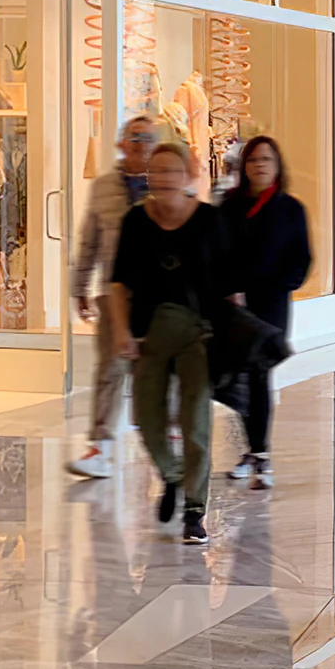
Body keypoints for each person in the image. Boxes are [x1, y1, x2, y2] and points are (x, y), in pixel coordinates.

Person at [110, 143, 237, 544]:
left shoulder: (210, 221)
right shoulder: (135, 221)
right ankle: (172, 474)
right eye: (157, 172)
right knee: (147, 421)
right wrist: (119, 332)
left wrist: (233, 335)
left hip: (199, 335)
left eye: (172, 171)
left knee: (195, 422)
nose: (164, 179)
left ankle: (194, 510)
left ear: (187, 176)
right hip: (148, 336)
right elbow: (118, 284)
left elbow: (232, 287)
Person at [218, 136, 313, 489]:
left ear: (277, 165)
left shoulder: (290, 209)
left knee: (258, 375)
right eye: (253, 159)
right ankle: (254, 450)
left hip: (270, 307)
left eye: (266, 159)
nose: (259, 165)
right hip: (235, 306)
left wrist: (274, 286)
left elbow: (300, 260)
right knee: (237, 377)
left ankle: (259, 453)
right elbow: (219, 255)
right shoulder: (229, 207)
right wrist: (229, 290)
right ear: (244, 166)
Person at [67, 116, 157, 478]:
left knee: (159, 370)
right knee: (109, 370)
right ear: (121, 144)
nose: (140, 145)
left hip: (157, 295)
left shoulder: (167, 183)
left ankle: (169, 443)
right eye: (134, 138)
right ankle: (99, 447)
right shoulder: (104, 187)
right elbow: (89, 239)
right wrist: (80, 287)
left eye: (148, 139)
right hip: (112, 293)